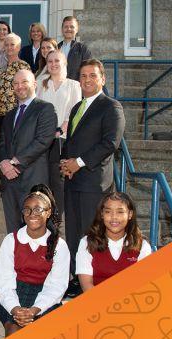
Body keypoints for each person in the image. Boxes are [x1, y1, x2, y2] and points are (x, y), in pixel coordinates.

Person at [61, 59, 126, 292]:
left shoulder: (111, 107)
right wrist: (66, 163)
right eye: (84, 76)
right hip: (73, 180)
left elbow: (110, 143)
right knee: (74, 232)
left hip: (93, 181)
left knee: (92, 232)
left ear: (103, 79)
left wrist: (78, 163)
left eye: (92, 75)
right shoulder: (78, 107)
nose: (87, 80)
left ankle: (93, 280)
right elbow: (72, 142)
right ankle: (77, 278)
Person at [0, 185, 70, 337]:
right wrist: (15, 308)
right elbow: (4, 283)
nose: (31, 214)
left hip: (45, 297)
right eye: (27, 209)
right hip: (15, 293)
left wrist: (34, 310)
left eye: (38, 209)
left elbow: (56, 286)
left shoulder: (59, 245)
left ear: (48, 212)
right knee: (13, 332)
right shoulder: (11, 240)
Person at [0, 69, 57, 233]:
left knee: (36, 231)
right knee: (13, 232)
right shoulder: (9, 115)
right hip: (9, 182)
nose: (19, 86)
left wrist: (15, 162)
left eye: (24, 82)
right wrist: (3, 163)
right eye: (15, 83)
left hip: (33, 179)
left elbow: (43, 141)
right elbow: (1, 142)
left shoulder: (45, 109)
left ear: (34, 84)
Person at [36, 50, 81, 217]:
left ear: (65, 63)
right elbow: (36, 108)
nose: (53, 64)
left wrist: (61, 128)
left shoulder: (74, 85)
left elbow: (74, 111)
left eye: (57, 61)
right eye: (50, 61)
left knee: (58, 181)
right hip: (42, 138)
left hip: (61, 138)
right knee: (43, 179)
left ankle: (56, 218)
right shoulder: (40, 82)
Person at [76, 192, 152, 291]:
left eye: (120, 212)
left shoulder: (142, 245)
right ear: (102, 214)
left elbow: (142, 285)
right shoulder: (87, 242)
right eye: (108, 212)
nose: (114, 217)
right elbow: (87, 286)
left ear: (130, 214)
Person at [0, 33, 31, 127]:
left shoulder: (23, 66)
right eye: (6, 45)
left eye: (12, 44)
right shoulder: (2, 68)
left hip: (14, 114)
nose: (9, 47)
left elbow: (28, 91)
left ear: (19, 47)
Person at [58, 16, 92, 81]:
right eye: (66, 27)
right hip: (58, 86)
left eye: (72, 27)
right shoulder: (56, 48)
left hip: (75, 87)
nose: (69, 29)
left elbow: (87, 70)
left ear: (76, 30)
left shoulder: (83, 49)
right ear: (62, 29)